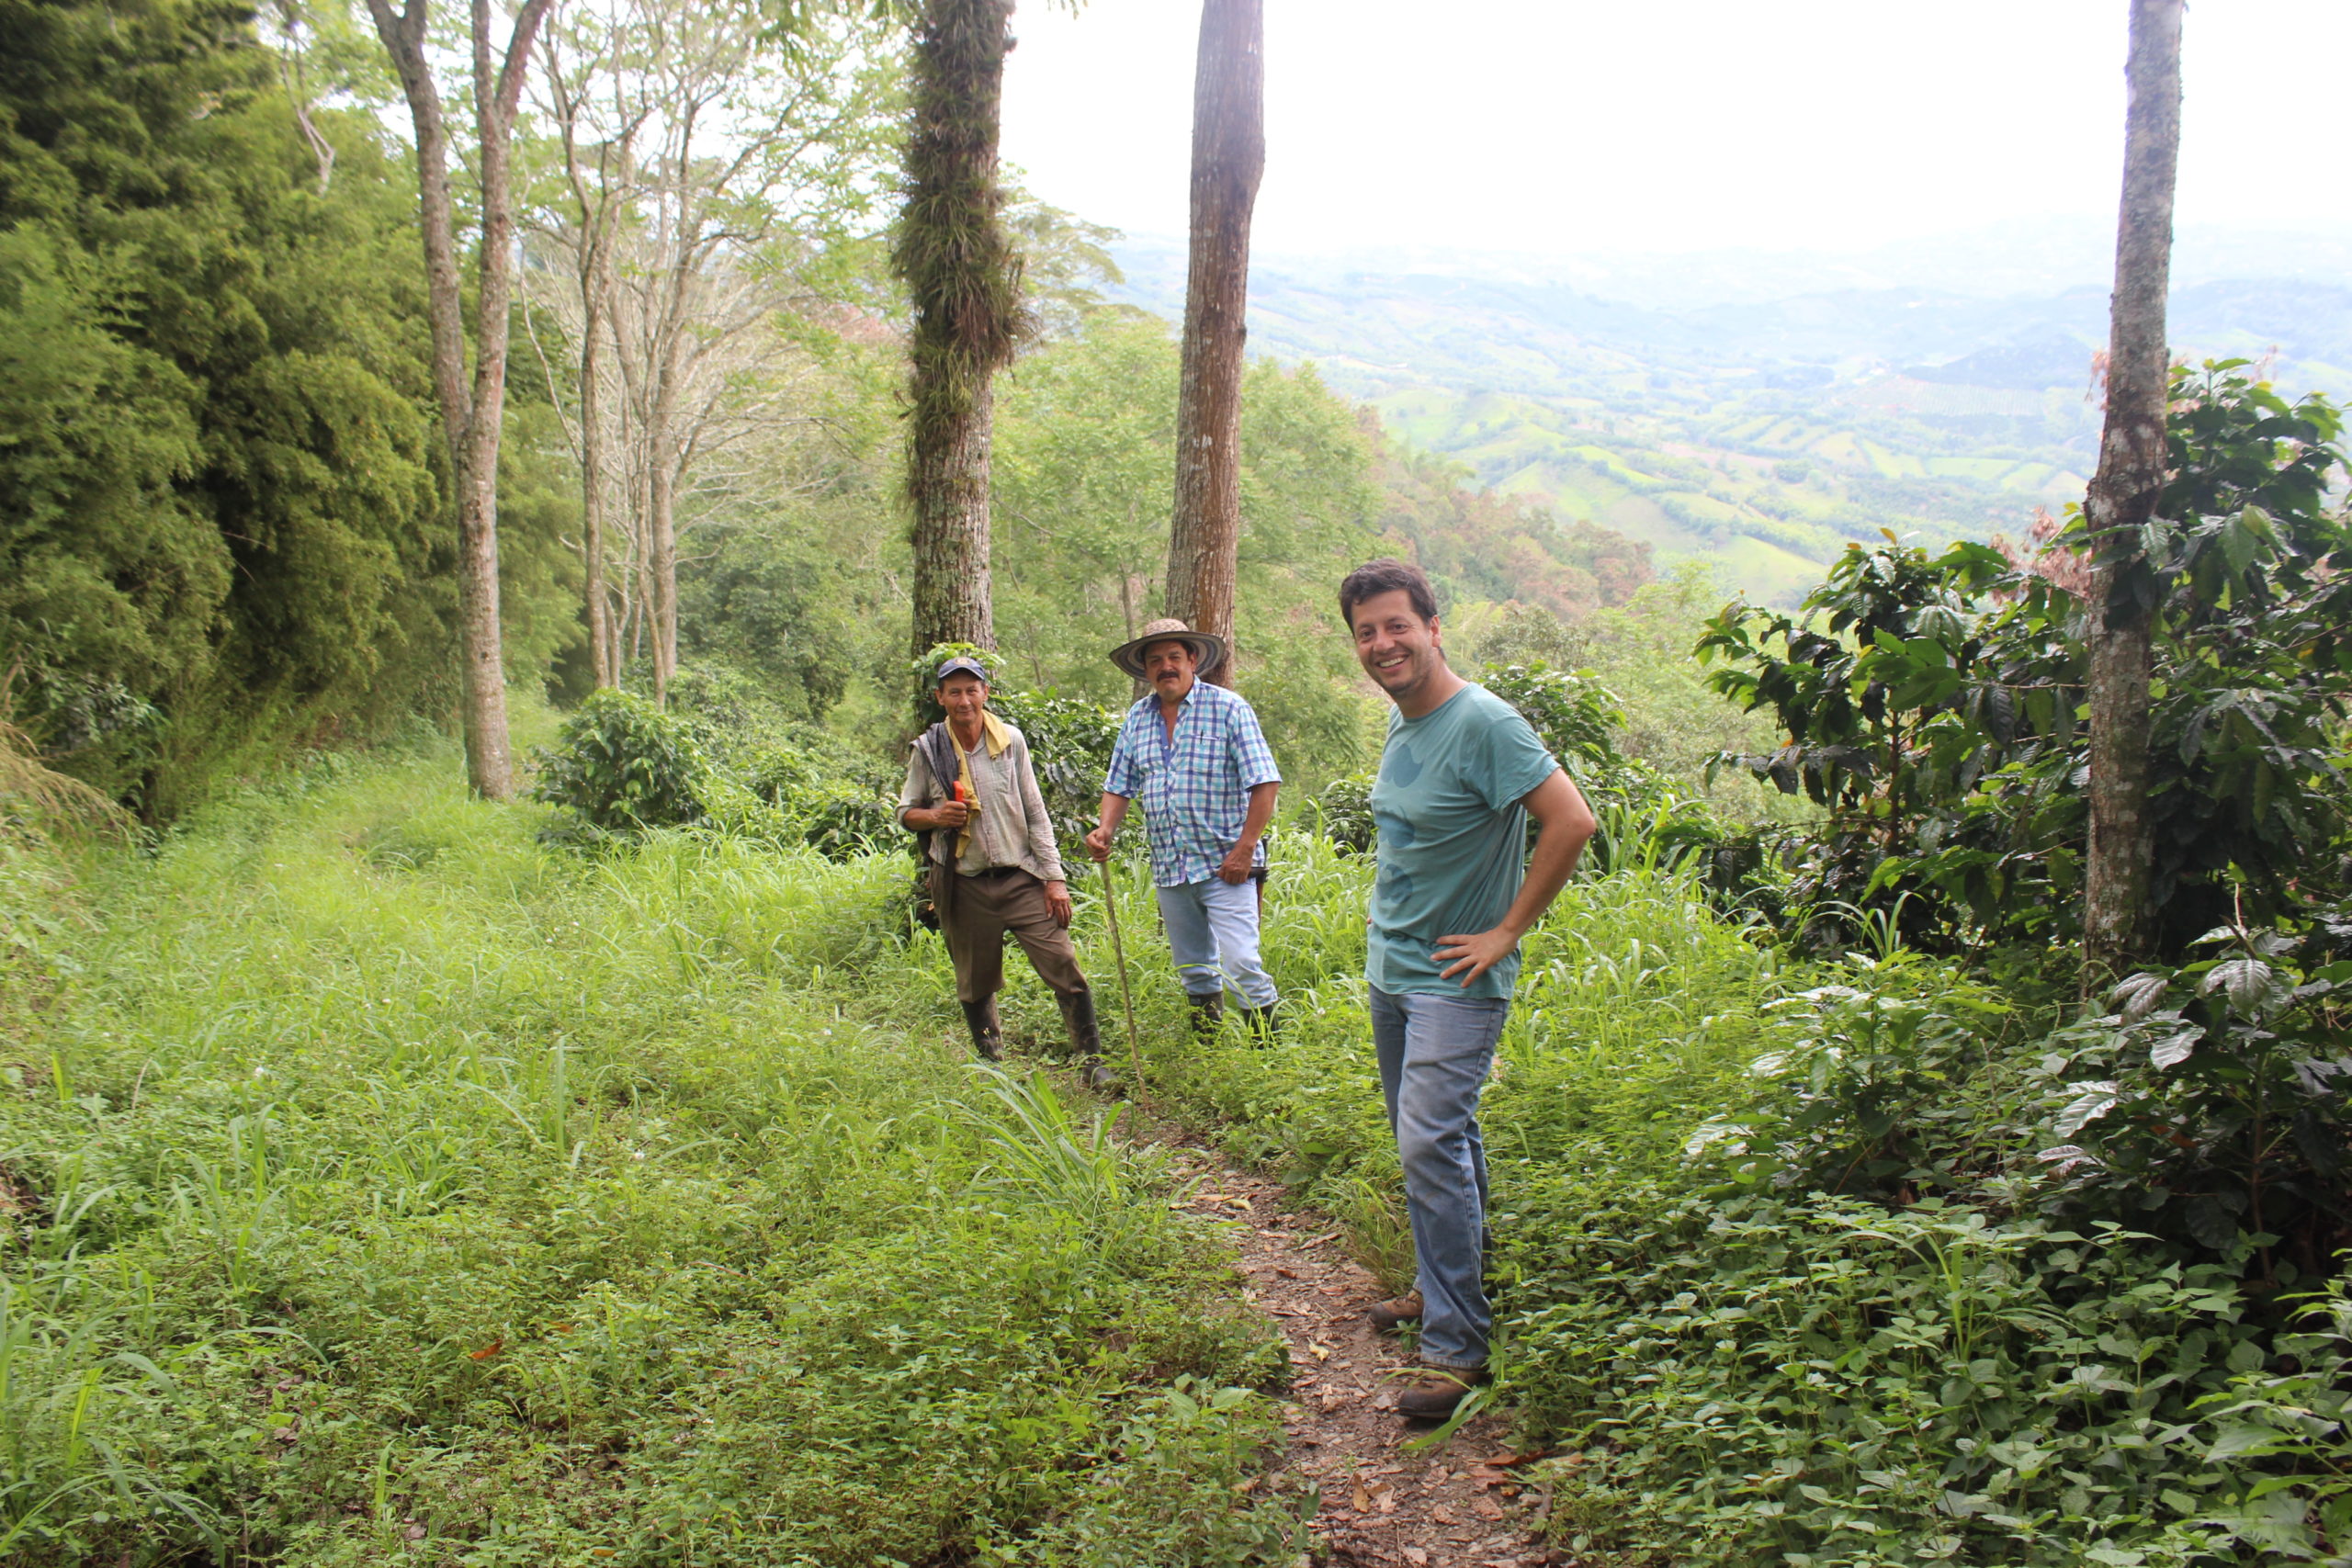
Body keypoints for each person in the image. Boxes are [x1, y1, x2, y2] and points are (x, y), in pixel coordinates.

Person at [1340, 558, 1598, 1421]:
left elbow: (1571, 819)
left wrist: (1509, 928)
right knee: (1441, 1140)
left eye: (1396, 625)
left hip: (1458, 978)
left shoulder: (1484, 720)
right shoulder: (1404, 721)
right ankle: (1446, 1276)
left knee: (1427, 1143)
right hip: (1395, 971)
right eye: (1368, 632)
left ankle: (1457, 1348)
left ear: (1432, 626)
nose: (1383, 644)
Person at [899, 655, 1112, 1089]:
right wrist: (937, 816)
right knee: (974, 982)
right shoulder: (928, 749)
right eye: (954, 691)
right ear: (940, 697)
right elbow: (906, 813)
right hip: (964, 882)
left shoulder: (1010, 741)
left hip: (1021, 877)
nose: (964, 700)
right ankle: (993, 1067)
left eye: (971, 690)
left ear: (985, 694)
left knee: (1064, 965)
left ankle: (1093, 1065)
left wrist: (1054, 879)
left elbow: (1035, 811)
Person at [1083, 618, 1283, 1036]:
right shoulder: (1137, 718)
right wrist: (1105, 830)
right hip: (1171, 866)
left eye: (1174, 657)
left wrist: (1246, 849)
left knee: (1243, 963)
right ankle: (1206, 1054)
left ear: (1193, 660)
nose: (1166, 666)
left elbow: (1265, 782)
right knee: (1193, 968)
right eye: (1155, 660)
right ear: (1146, 671)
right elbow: (1119, 785)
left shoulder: (1228, 708)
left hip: (1226, 863)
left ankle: (1267, 1058)